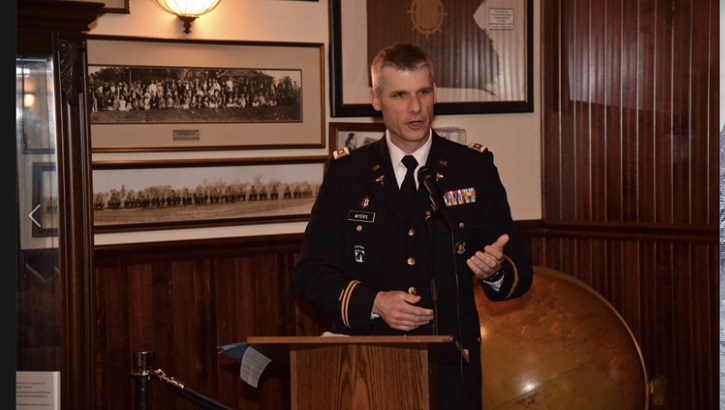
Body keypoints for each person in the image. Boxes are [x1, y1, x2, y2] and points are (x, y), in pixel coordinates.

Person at [292, 42, 533, 409]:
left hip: (452, 370)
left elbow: (519, 267)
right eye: (400, 95)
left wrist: (496, 271)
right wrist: (374, 302)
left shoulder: (473, 169)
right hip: (368, 364)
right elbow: (310, 273)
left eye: (423, 92)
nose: (415, 107)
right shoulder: (348, 174)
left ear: (434, 92)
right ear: (376, 99)